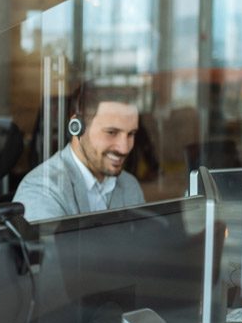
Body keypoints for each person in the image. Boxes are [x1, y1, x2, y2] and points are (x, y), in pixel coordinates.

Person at [13, 83, 145, 221]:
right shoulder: (42, 190)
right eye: (111, 132)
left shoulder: (129, 185)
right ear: (76, 126)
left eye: (131, 134)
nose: (124, 148)